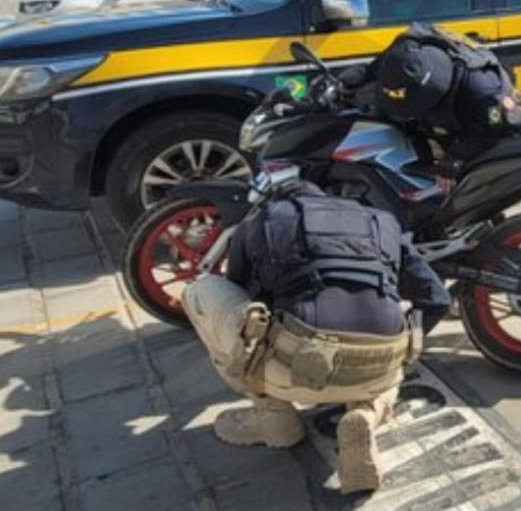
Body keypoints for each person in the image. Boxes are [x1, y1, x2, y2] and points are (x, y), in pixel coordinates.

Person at [182, 180, 450, 494]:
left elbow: (239, 293)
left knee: (202, 290)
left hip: (294, 368)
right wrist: (404, 349)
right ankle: (366, 412)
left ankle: (276, 420)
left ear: (277, 202)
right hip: (375, 367)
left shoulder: (263, 219)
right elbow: (438, 299)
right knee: (387, 341)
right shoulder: (381, 219)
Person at [339, 23, 521, 183]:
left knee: (461, 179)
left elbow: (496, 130)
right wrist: (357, 76)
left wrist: (458, 155)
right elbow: (381, 66)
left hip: (485, 126)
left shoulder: (482, 89)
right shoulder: (406, 52)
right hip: (446, 110)